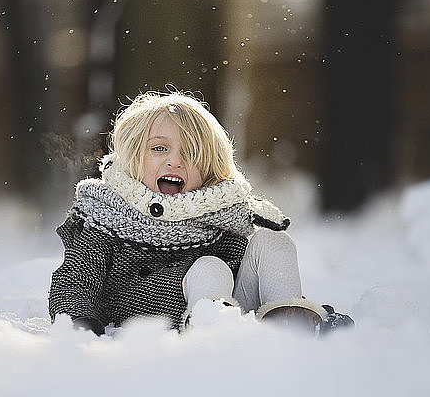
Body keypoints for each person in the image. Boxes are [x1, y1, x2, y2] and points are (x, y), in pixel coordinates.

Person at [49, 91, 353, 336]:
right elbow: (74, 278)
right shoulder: (106, 219)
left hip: (224, 304)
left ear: (207, 168)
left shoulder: (217, 217)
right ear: (132, 156)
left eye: (191, 153)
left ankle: (287, 321)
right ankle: (208, 335)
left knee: (275, 242)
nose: (174, 162)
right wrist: (79, 318)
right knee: (210, 267)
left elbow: (239, 268)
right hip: (145, 317)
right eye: (158, 149)